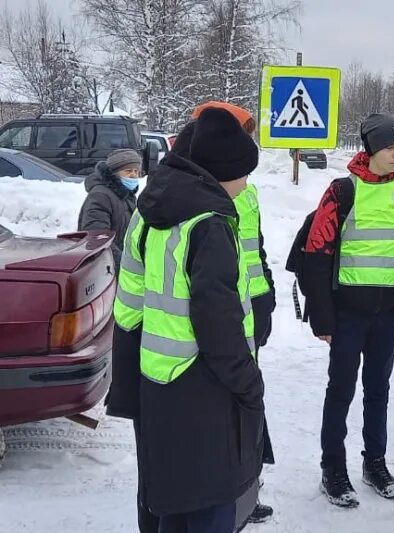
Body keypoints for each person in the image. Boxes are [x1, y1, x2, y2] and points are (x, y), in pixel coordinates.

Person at [110, 107, 264, 532]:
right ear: (222, 173)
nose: (246, 184)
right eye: (243, 174)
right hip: (204, 385)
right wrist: (248, 382)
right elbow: (217, 322)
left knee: (167, 499)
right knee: (208, 504)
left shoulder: (153, 208)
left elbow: (136, 297)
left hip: (157, 376)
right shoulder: (210, 224)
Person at [301, 113, 394, 508]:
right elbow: (316, 255)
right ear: (371, 149)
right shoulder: (343, 191)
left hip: (388, 313)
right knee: (340, 391)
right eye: (390, 147)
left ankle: (375, 462)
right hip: (346, 313)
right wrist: (321, 316)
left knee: (378, 390)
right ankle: (332, 469)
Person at [179, 102, 277, 525]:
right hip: (222, 316)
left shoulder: (245, 189)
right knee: (235, 405)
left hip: (250, 305)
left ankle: (247, 492)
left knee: (248, 414)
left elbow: (254, 247)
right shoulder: (199, 198)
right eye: (242, 132)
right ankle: (235, 494)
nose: (247, 140)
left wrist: (266, 290)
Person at [78, 149, 143, 272]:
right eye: (128, 171)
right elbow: (97, 237)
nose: (133, 175)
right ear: (114, 173)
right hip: (106, 268)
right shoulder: (101, 196)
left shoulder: (126, 195)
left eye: (136, 171)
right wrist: (124, 265)